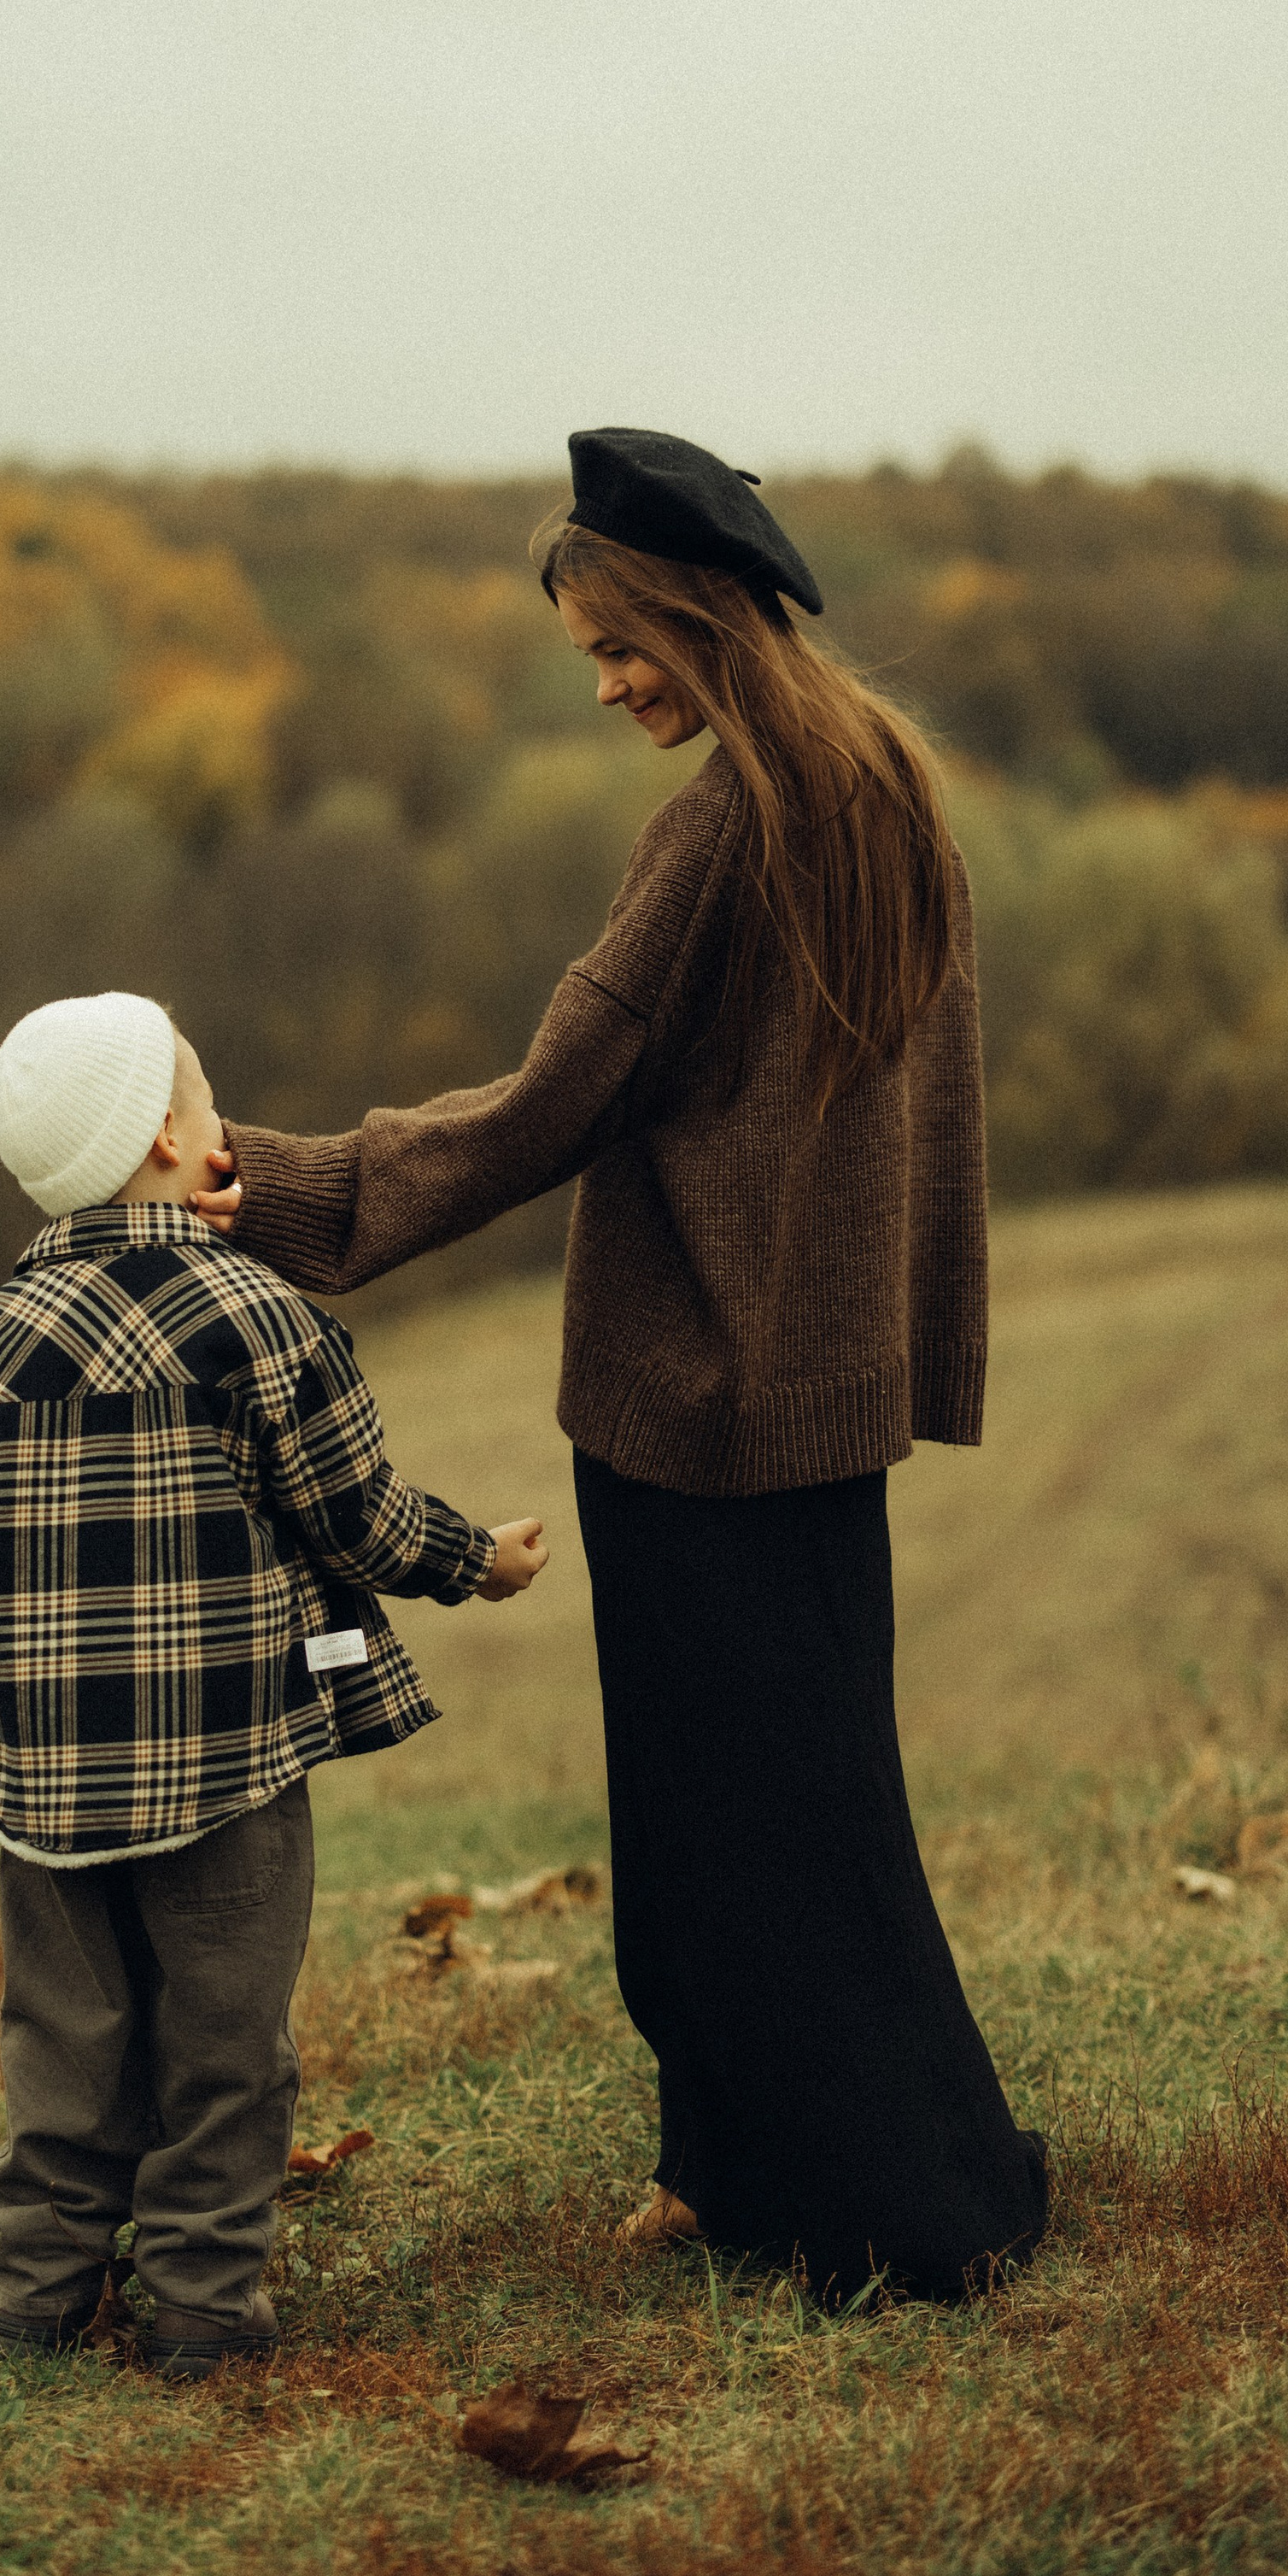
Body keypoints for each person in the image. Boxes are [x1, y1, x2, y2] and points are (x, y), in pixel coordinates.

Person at [195, 426, 1047, 2303]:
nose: (601, 686)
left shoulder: (721, 828)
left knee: (727, 1834)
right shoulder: (883, 782)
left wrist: (273, 1187)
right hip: (822, 1396)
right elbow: (922, 1120)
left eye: (615, 645)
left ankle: (898, 2210)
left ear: (695, 610)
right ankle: (738, 2170)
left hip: (695, 1404)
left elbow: (544, 1108)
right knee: (799, 1800)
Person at [0, 988, 548, 2373]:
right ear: (172, 1147)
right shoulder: (261, 1322)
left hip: (50, 1784)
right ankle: (199, 2305)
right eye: (201, 1101)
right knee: (226, 2039)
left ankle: (43, 2295)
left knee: (63, 2036)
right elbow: (355, 1516)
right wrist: (473, 1558)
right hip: (230, 1769)